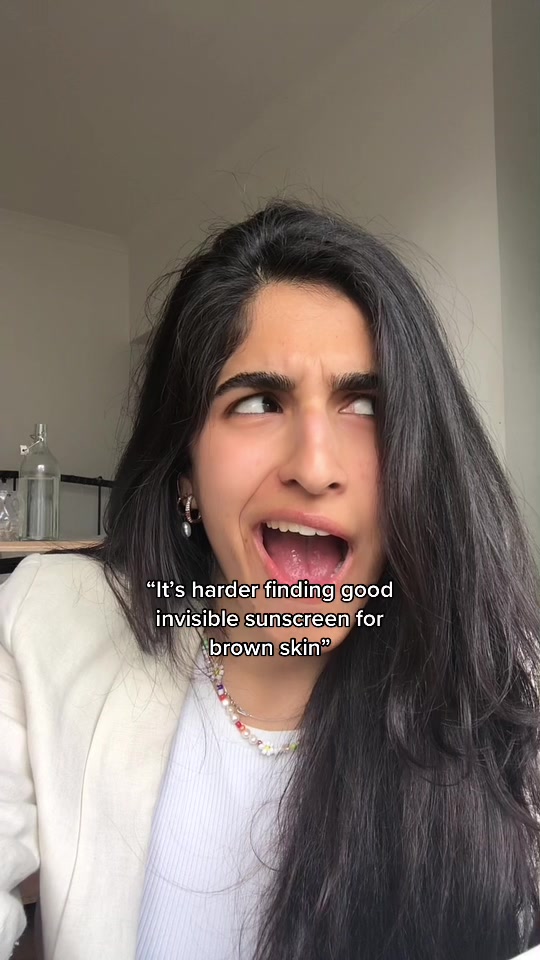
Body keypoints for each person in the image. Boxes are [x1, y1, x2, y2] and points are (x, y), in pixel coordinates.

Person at [1, 199, 540, 960]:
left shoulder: (503, 687)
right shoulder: (49, 623)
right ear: (186, 470)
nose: (315, 468)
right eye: (258, 401)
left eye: (365, 404)